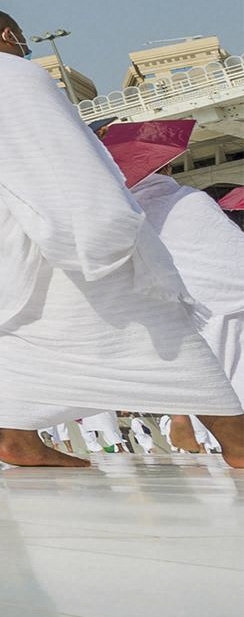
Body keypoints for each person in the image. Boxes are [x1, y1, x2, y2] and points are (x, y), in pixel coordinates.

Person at [0, 9, 243, 467]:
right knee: (161, 330)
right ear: (9, 35)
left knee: (11, 345)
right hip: (55, 246)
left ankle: (18, 438)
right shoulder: (16, 75)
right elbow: (63, 157)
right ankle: (238, 442)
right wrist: (108, 225)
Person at [120, 137, 244, 422]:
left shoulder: (129, 215)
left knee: (226, 379)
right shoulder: (192, 197)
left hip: (197, 307)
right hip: (233, 288)